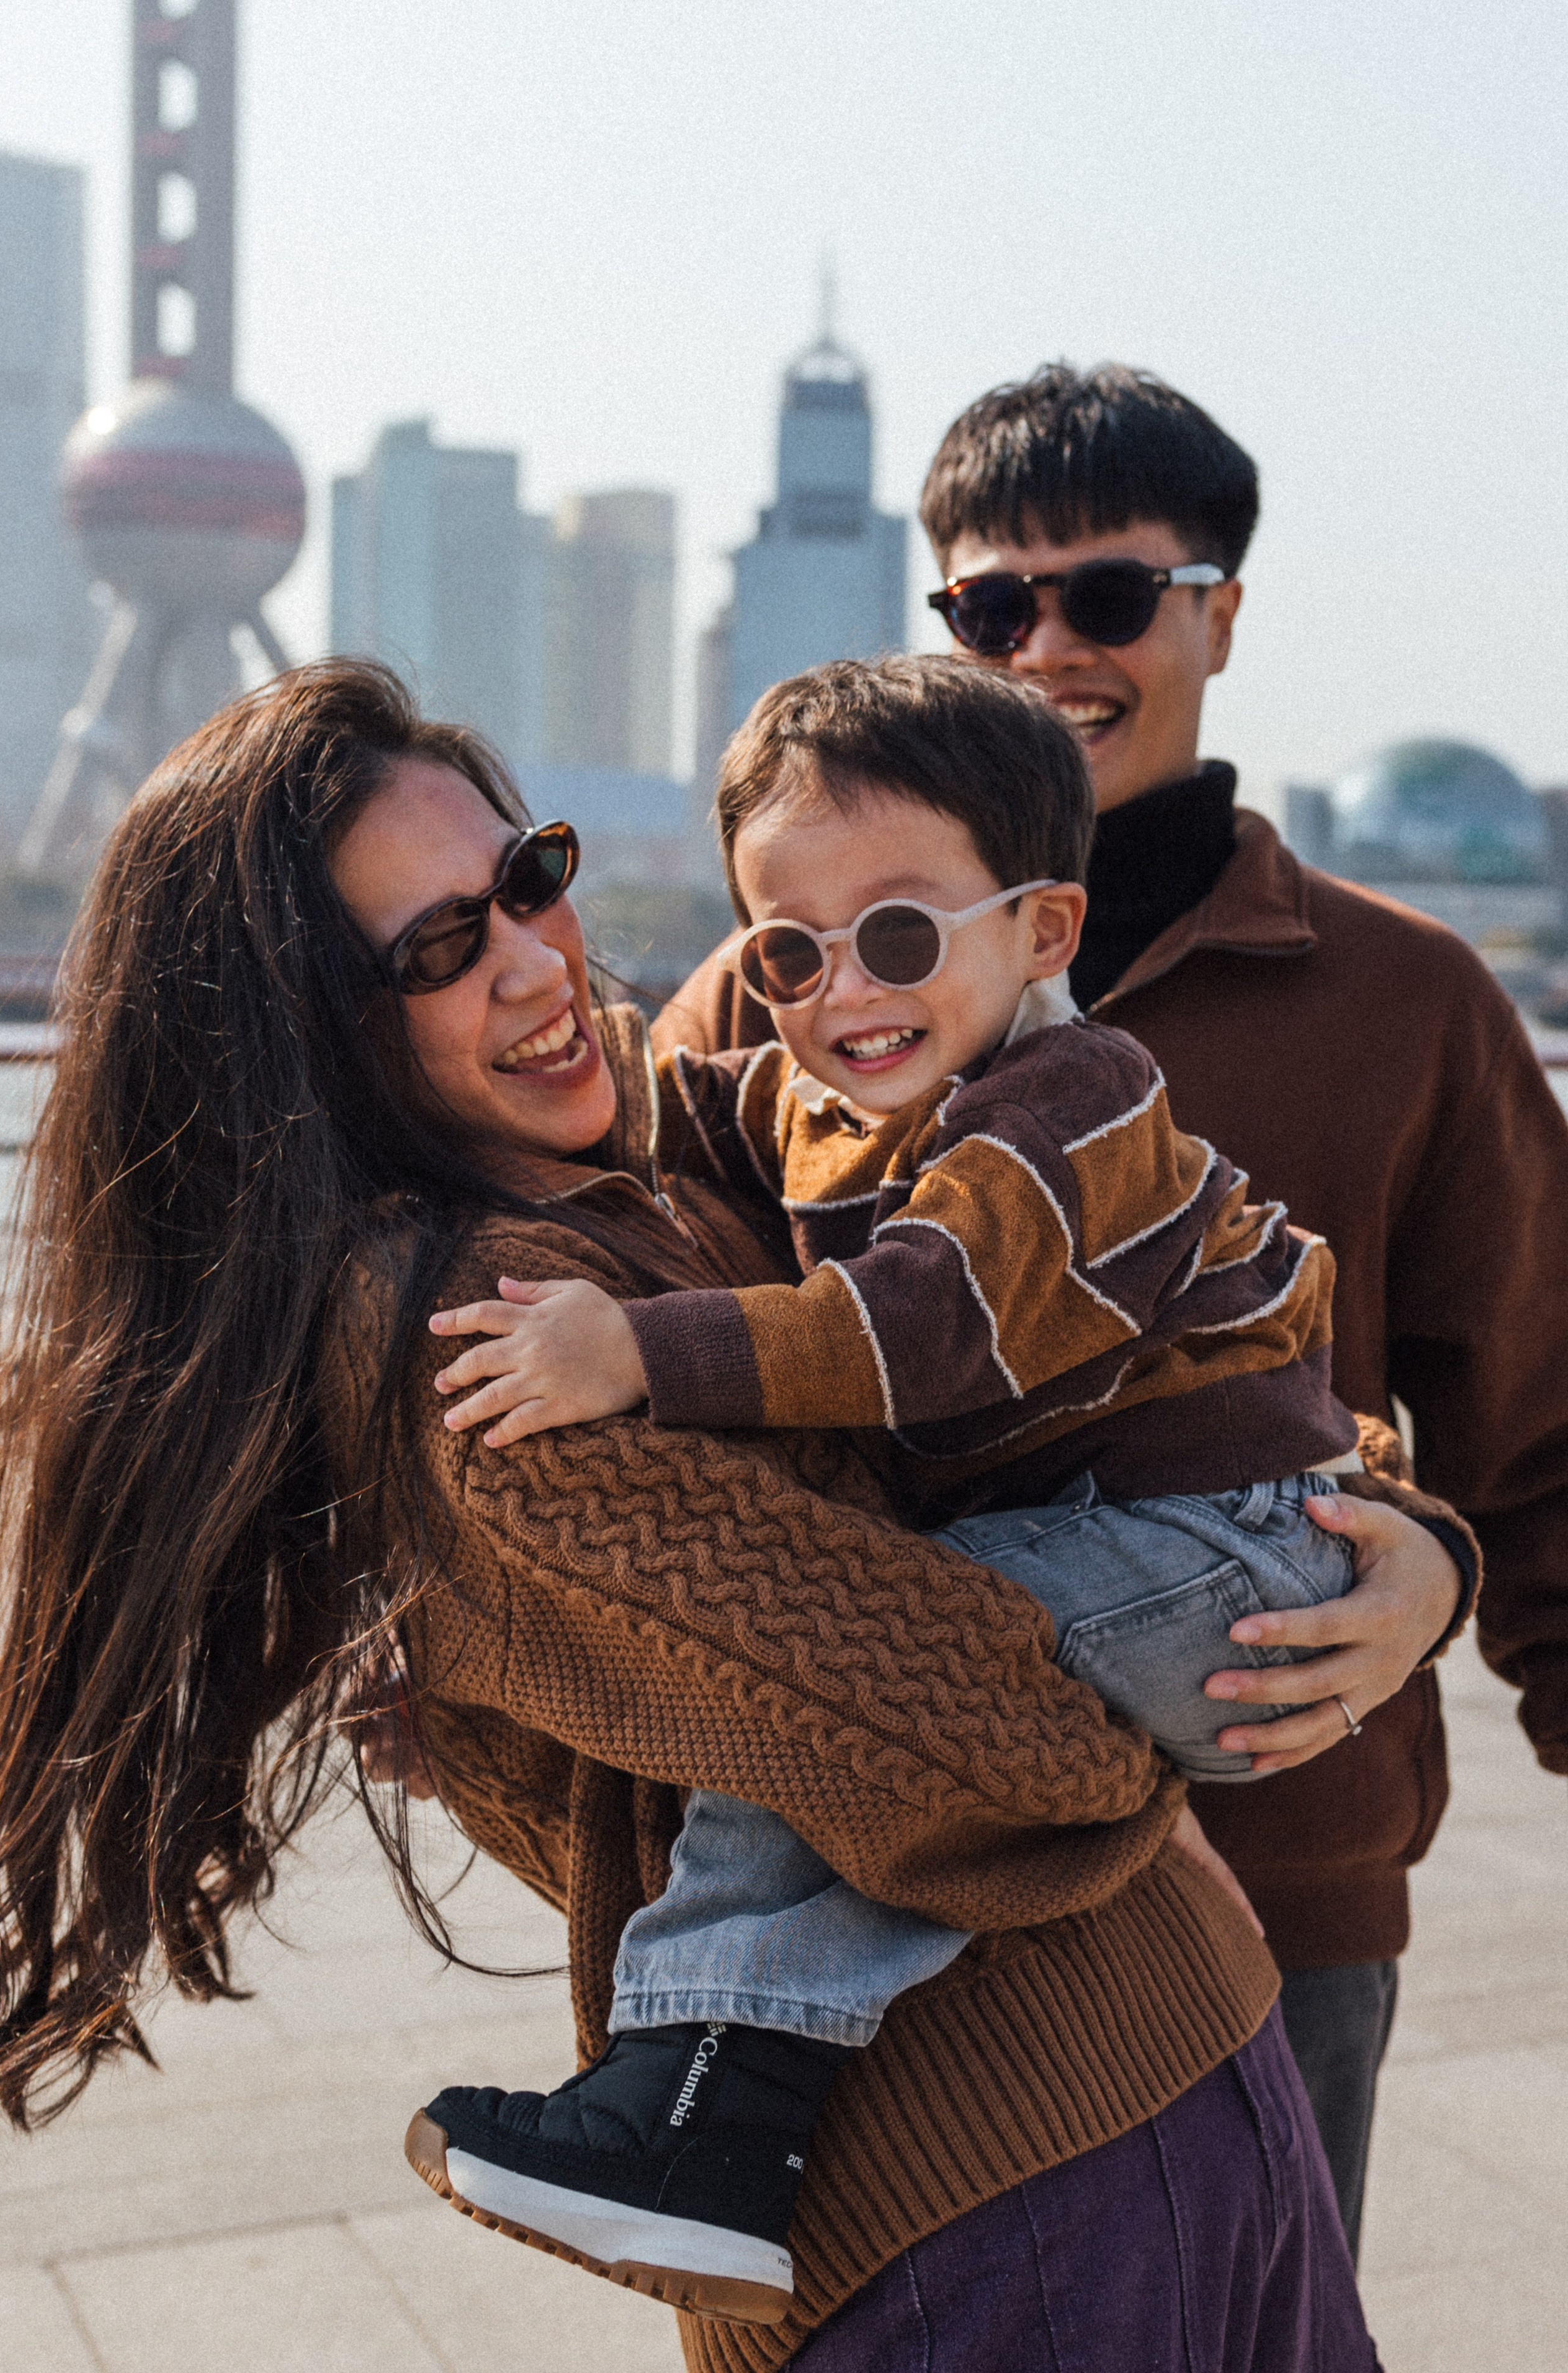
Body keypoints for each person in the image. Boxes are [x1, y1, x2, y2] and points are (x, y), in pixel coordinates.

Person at [0, 660, 1443, 2371]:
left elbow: (1152, 1357)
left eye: (525, 880)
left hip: (1126, 2118)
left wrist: (1400, 1553)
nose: (536, 959)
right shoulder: (485, 1332)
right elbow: (1002, 1737)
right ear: (297, 1032)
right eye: (438, 950)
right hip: (996, 2200)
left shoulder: (664, 1178)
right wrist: (1246, 1646)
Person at [410, 654, 1477, 2312]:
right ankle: (721, 2117)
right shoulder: (815, 1092)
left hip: (1231, 1555)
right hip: (1149, 1557)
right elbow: (664, 1104)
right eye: (785, 950)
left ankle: (712, 2112)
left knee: (819, 1687)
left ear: (1044, 934)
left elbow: (926, 1327)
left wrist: (637, 1353)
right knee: (835, 1696)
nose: (845, 992)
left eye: (900, 935)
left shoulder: (1075, 1101)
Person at [658, 362, 1568, 2262]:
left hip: (1280, 1872)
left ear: (1222, 610)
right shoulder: (774, 1000)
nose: (1049, 649)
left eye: (1111, 598)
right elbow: (619, 1304)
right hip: (872, 1848)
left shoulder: (1413, 1005)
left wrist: (1432, 1569)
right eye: (994, 606)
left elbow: (1543, 1438)